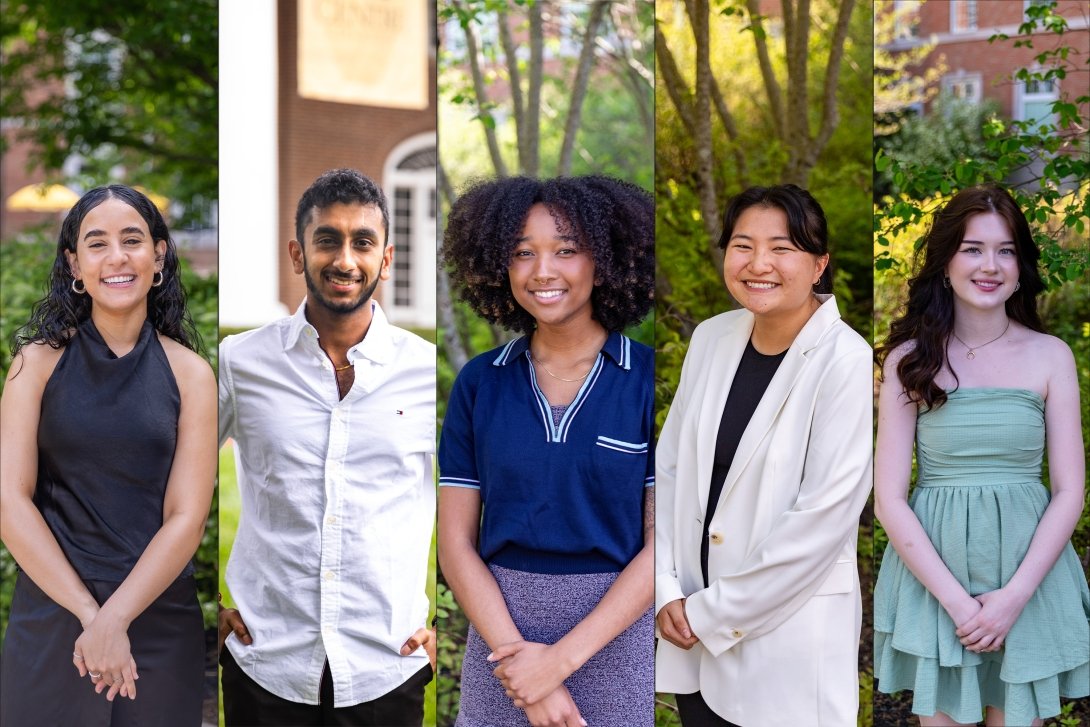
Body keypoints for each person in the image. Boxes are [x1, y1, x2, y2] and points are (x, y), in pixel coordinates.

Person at [217, 168, 436, 726]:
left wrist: (452, 628)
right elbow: (173, 483)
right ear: (298, 254)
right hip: (268, 665)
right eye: (327, 240)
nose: (345, 259)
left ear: (386, 259)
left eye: (363, 242)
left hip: (388, 667)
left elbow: (479, 498)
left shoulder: (427, 373)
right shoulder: (240, 364)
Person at [438, 175, 656, 727]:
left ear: (604, 260)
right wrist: (523, 671)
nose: (542, 271)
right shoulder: (480, 383)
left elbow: (664, 546)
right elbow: (455, 544)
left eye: (566, 250)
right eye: (522, 253)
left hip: (613, 638)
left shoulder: (650, 380)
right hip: (500, 639)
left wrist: (558, 662)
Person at [655, 185, 873, 727]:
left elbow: (822, 520)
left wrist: (708, 614)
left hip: (786, 653)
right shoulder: (711, 338)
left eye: (782, 248)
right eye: (742, 245)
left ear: (819, 264)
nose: (759, 264)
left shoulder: (844, 361)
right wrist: (663, 591)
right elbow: (669, 471)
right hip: (689, 637)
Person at [873, 184, 1089, 726]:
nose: (990, 265)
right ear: (946, 261)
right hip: (934, 576)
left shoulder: (1050, 356)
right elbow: (889, 499)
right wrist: (958, 604)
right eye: (973, 248)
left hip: (1027, 575)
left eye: (1006, 250)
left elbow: (1069, 491)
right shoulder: (909, 360)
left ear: (1020, 265)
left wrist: (1014, 597)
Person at [0, 185, 216, 725]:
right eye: (97, 244)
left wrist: (115, 619)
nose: (117, 257)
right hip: (52, 617)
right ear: (74, 262)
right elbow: (9, 500)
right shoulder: (36, 365)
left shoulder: (192, 375)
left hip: (158, 621)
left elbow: (187, 519)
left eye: (133, 240)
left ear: (159, 255)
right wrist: (90, 618)